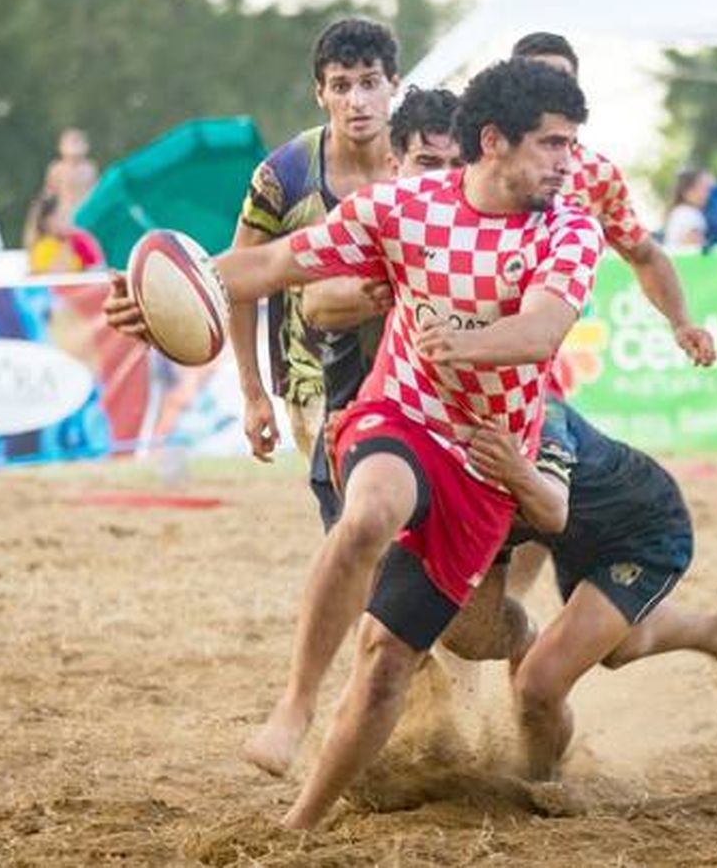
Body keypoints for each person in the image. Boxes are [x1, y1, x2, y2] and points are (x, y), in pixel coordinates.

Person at [104, 57, 603, 829]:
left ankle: (311, 813)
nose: (566, 163)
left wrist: (461, 343)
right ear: (496, 141)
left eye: (572, 145)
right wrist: (180, 286)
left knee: (418, 654)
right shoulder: (407, 206)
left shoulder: (569, 227)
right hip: (400, 414)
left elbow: (541, 331)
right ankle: (296, 721)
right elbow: (274, 262)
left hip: (487, 459)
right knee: (368, 513)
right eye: (551, 145)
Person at [440, 396, 717, 780]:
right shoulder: (431, 417)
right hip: (575, 537)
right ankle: (709, 631)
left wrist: (516, 472)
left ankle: (538, 789)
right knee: (615, 649)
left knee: (538, 687)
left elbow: (547, 508)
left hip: (642, 532)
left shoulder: (534, 417)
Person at [229, 18, 400, 464]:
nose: (357, 101)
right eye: (341, 87)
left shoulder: (426, 162)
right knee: (364, 515)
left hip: (412, 379)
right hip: (315, 387)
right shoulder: (283, 174)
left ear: (394, 85)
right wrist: (253, 394)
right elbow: (240, 281)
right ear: (319, 94)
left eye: (369, 83)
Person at [297, 86, 463, 529]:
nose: (443, 178)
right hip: (362, 429)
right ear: (395, 166)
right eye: (427, 163)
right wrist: (372, 291)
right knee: (362, 569)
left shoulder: (493, 234)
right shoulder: (369, 221)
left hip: (460, 442)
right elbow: (314, 302)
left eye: (457, 165)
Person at [510, 33, 715, 368]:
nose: (549, 92)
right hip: (465, 349)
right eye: (535, 81)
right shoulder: (480, 157)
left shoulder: (595, 173)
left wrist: (681, 323)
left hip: (540, 364)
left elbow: (645, 256)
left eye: (561, 80)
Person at [26, 194, 105, 274]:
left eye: (68, 215)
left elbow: (97, 267)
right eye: (62, 217)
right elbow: (54, 273)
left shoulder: (80, 239)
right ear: (47, 222)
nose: (68, 221)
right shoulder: (43, 246)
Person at [662, 168, 712, 250]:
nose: (708, 194)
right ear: (688, 192)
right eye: (704, 188)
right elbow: (695, 245)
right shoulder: (689, 214)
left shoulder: (679, 212)